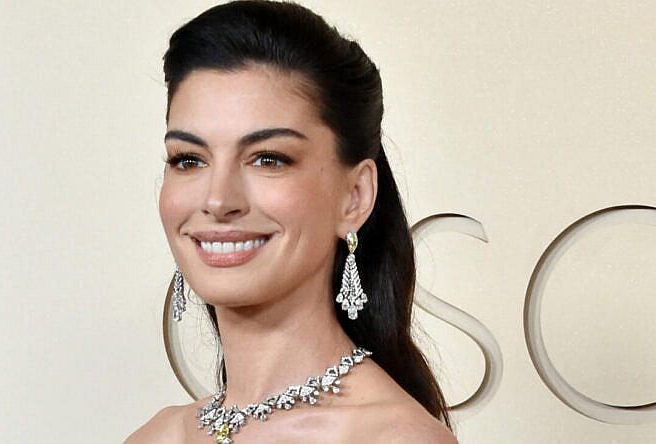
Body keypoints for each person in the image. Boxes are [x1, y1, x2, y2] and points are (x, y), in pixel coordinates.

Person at [127, 1, 457, 442]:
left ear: (354, 198)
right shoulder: (158, 436)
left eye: (268, 159)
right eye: (189, 160)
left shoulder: (393, 438)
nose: (219, 199)